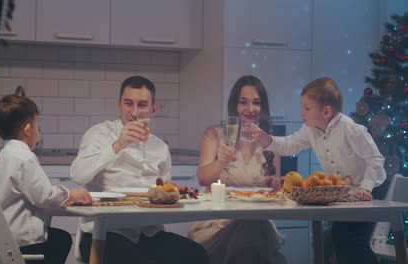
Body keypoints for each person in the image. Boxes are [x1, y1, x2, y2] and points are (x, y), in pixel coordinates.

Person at [71, 75, 208, 264]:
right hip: (104, 232)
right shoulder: (99, 134)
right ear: (119, 105)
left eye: (142, 105)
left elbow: (162, 195)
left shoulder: (160, 147)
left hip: (149, 233)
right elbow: (78, 175)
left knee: (196, 255)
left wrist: (170, 192)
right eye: (129, 103)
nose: (135, 112)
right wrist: (118, 144)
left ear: (153, 110)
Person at [254, 77, 388, 264]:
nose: (302, 112)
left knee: (352, 240)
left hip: (371, 188)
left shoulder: (350, 128)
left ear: (326, 111)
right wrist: (266, 139)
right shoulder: (311, 128)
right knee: (338, 239)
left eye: (307, 108)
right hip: (346, 193)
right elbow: (290, 145)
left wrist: (366, 187)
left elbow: (375, 159)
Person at [187, 75, 287, 264]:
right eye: (243, 102)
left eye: (256, 103)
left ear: (263, 107)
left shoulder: (270, 143)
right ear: (234, 105)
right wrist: (220, 162)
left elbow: (276, 192)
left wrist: (274, 184)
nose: (250, 109)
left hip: (258, 223)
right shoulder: (214, 135)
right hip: (218, 224)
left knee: (254, 226)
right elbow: (202, 178)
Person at [0, 95, 92, 264]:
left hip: (1, 239)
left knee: (59, 238)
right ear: (28, 129)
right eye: (38, 127)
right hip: (20, 242)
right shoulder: (24, 158)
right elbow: (45, 196)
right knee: (61, 240)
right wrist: (72, 195)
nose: (39, 133)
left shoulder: (4, 155)